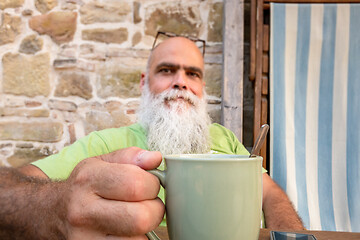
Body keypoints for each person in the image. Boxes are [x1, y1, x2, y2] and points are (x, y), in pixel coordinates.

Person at [0, 34, 304, 239]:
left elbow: (269, 192)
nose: (181, 82)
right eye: (167, 70)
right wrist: (58, 207)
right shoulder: (105, 146)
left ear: (202, 88)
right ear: (145, 83)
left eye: (193, 74)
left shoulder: (224, 139)